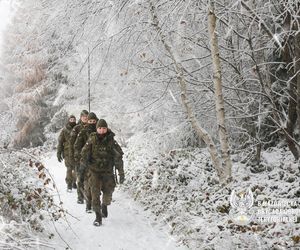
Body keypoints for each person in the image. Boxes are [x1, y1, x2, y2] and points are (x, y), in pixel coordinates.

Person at [81, 119, 124, 226]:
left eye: (104, 128)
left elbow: (118, 158)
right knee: (95, 195)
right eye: (100, 128)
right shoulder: (91, 140)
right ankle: (98, 217)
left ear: (106, 129)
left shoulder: (111, 141)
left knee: (108, 193)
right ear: (97, 129)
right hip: (94, 172)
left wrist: (121, 173)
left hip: (108, 172)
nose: (102, 130)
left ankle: (104, 205)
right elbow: (84, 156)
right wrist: (81, 172)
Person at [74, 112, 98, 212]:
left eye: (93, 121)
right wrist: (79, 157)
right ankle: (86, 200)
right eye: (90, 121)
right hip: (84, 161)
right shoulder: (83, 132)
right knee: (84, 182)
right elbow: (76, 146)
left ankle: (93, 203)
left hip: (96, 162)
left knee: (95, 184)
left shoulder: (99, 131)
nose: (92, 123)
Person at [69, 109, 89, 203]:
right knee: (80, 178)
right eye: (83, 117)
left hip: (89, 158)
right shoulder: (76, 128)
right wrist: (72, 157)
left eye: (86, 116)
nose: (85, 118)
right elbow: (71, 144)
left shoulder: (92, 127)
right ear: (81, 118)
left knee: (89, 179)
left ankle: (88, 197)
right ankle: (80, 197)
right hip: (79, 158)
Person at [57, 115, 77, 191]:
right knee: (69, 168)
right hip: (67, 152)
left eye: (73, 119)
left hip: (76, 152)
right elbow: (60, 141)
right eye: (71, 119)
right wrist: (59, 153)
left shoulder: (77, 128)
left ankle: (74, 182)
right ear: (69, 120)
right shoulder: (64, 130)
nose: (72, 121)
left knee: (76, 169)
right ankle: (69, 183)